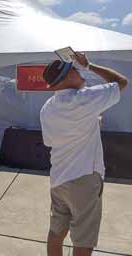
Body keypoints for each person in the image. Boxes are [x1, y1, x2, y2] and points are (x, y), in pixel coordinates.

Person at [40, 52, 127, 256]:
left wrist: (89, 123)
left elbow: (50, 141)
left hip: (58, 179)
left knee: (56, 232)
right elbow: (121, 81)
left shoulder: (47, 108)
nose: (79, 72)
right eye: (74, 70)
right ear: (66, 78)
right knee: (83, 241)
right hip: (84, 179)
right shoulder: (84, 98)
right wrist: (89, 65)